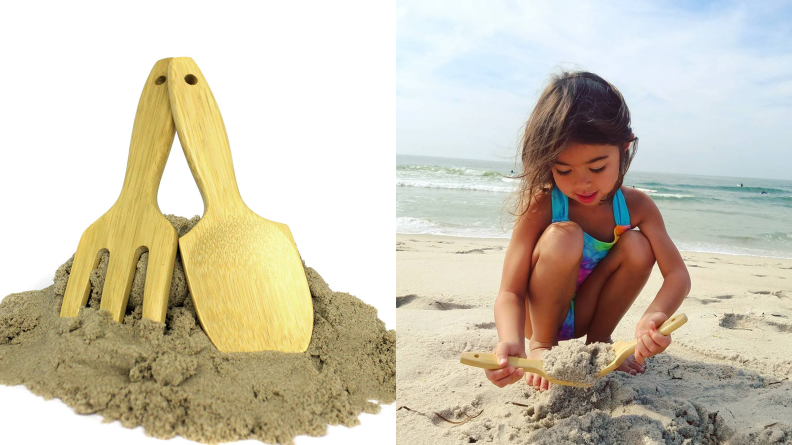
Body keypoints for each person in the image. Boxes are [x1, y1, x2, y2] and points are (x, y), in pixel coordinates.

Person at [485, 71, 690, 392]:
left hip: (587, 314)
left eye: (597, 168)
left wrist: (654, 317)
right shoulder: (543, 204)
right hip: (537, 319)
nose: (582, 183)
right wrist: (511, 341)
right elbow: (510, 292)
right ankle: (544, 345)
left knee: (638, 245)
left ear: (624, 149)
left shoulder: (636, 206)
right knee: (564, 236)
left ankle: (599, 344)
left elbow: (677, 274)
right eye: (563, 170)